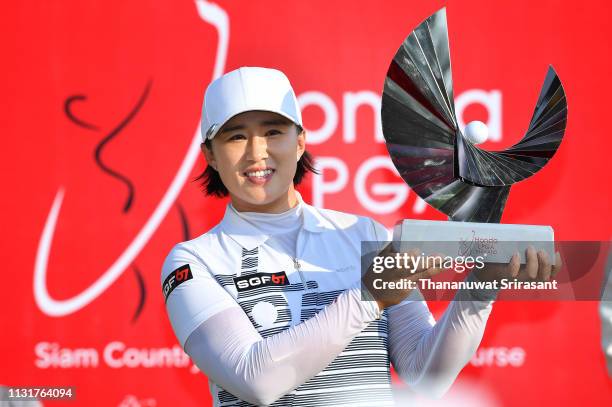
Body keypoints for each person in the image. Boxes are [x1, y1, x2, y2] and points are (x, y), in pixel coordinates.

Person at [161, 66, 560, 406]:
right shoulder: (193, 262)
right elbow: (256, 379)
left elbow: (425, 375)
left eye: (273, 131)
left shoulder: (363, 234)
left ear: (300, 142)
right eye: (235, 136)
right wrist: (370, 295)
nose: (256, 152)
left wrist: (480, 289)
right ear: (210, 155)